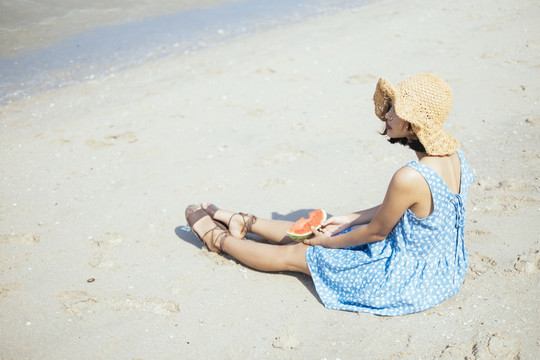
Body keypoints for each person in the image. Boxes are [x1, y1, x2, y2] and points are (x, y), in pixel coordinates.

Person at [185, 73, 474, 316]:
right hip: (441, 268)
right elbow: (405, 206)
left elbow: (376, 233)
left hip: (404, 280)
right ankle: (244, 222)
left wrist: (328, 244)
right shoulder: (454, 157)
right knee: (327, 228)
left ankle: (217, 239)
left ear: (414, 121)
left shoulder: (409, 176)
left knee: (301, 252)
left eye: (395, 110)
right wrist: (348, 219)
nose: (386, 114)